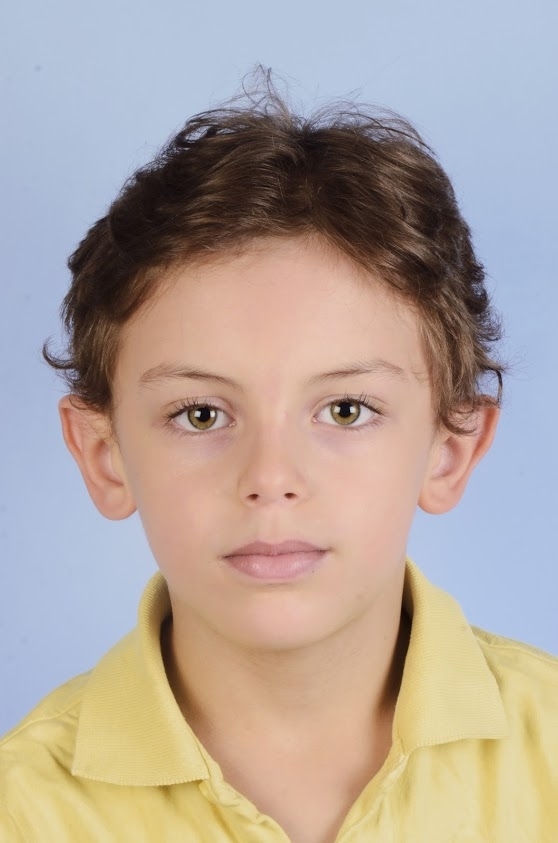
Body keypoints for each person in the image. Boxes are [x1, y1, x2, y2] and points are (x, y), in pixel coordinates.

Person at [1, 71, 557, 842]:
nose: (270, 479)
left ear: (449, 452)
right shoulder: (23, 809)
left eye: (346, 409)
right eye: (200, 414)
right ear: (104, 454)